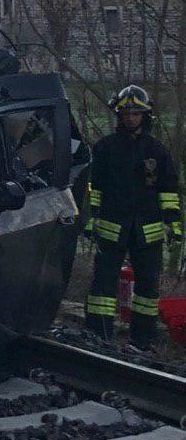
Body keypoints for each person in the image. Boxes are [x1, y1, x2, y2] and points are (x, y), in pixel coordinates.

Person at [85, 85, 181, 351]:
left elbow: (168, 190)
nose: (130, 117)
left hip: (147, 231)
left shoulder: (157, 151)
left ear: (145, 115)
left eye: (136, 113)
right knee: (103, 287)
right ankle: (98, 338)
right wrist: (90, 219)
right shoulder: (105, 148)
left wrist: (174, 223)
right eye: (126, 112)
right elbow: (94, 187)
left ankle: (141, 342)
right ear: (119, 115)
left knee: (147, 290)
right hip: (111, 228)